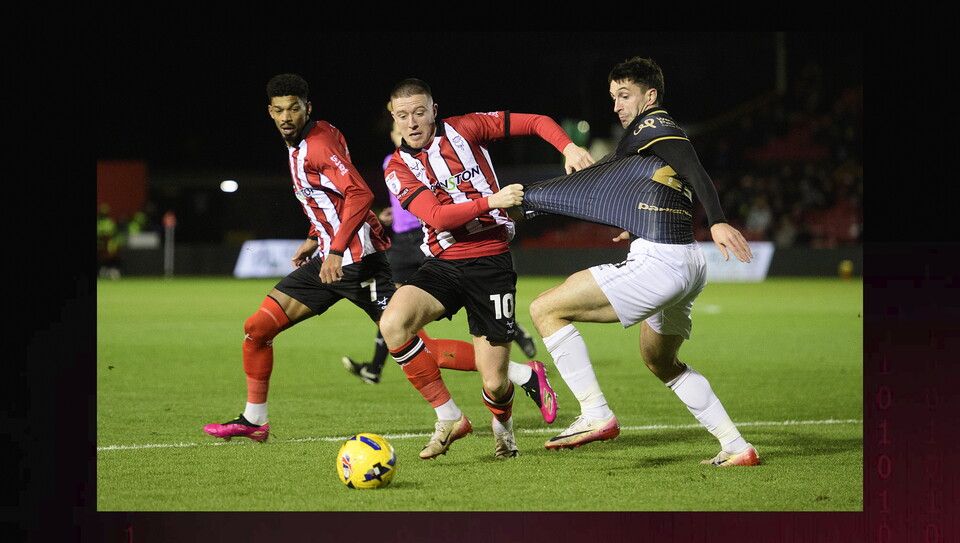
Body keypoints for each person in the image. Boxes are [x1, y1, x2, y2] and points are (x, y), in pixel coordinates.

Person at [521, 57, 761, 466]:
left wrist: (718, 221)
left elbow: (694, 170)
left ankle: (595, 413)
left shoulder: (655, 125)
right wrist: (637, 220)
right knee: (660, 361)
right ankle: (736, 447)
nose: (616, 105)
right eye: (613, 96)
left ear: (650, 96)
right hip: (685, 261)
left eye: (625, 95)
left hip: (662, 261)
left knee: (545, 308)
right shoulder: (645, 139)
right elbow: (661, 182)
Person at [377, 78, 594, 459]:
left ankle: (504, 431)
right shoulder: (396, 167)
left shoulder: (466, 128)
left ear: (433, 111)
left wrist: (569, 146)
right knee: (393, 322)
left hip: (491, 260)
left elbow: (536, 121)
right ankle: (448, 417)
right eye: (402, 116)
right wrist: (492, 200)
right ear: (393, 119)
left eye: (419, 112)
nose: (411, 122)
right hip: (443, 261)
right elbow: (437, 217)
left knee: (494, 382)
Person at [202, 73, 398, 442]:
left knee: (413, 346)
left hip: (357, 262)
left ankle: (518, 376)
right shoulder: (309, 139)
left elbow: (359, 195)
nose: (286, 116)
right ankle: (254, 420)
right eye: (279, 110)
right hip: (327, 259)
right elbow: (329, 197)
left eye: (294, 108)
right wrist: (314, 237)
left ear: (308, 107)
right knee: (257, 329)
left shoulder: (318, 144)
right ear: (270, 112)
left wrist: (335, 248)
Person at [342, 109, 540, 386]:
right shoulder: (394, 163)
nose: (409, 129)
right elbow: (411, 203)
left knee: (413, 310)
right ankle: (376, 368)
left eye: (414, 118)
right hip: (404, 240)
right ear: (392, 133)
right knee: (392, 311)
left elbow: (437, 209)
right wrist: (389, 214)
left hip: (432, 239)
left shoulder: (438, 157)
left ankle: (513, 333)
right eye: (399, 127)